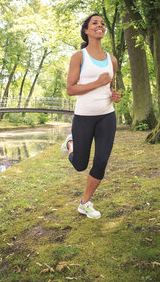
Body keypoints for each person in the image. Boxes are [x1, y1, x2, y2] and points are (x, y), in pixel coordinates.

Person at [61, 13, 121, 219]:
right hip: (84, 116)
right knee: (79, 164)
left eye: (102, 24)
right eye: (95, 23)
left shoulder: (111, 60)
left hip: (107, 115)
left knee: (102, 160)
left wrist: (114, 94)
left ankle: (84, 203)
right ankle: (70, 143)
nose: (100, 26)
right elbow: (70, 89)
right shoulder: (79, 56)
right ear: (86, 30)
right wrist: (97, 82)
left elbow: (110, 87)